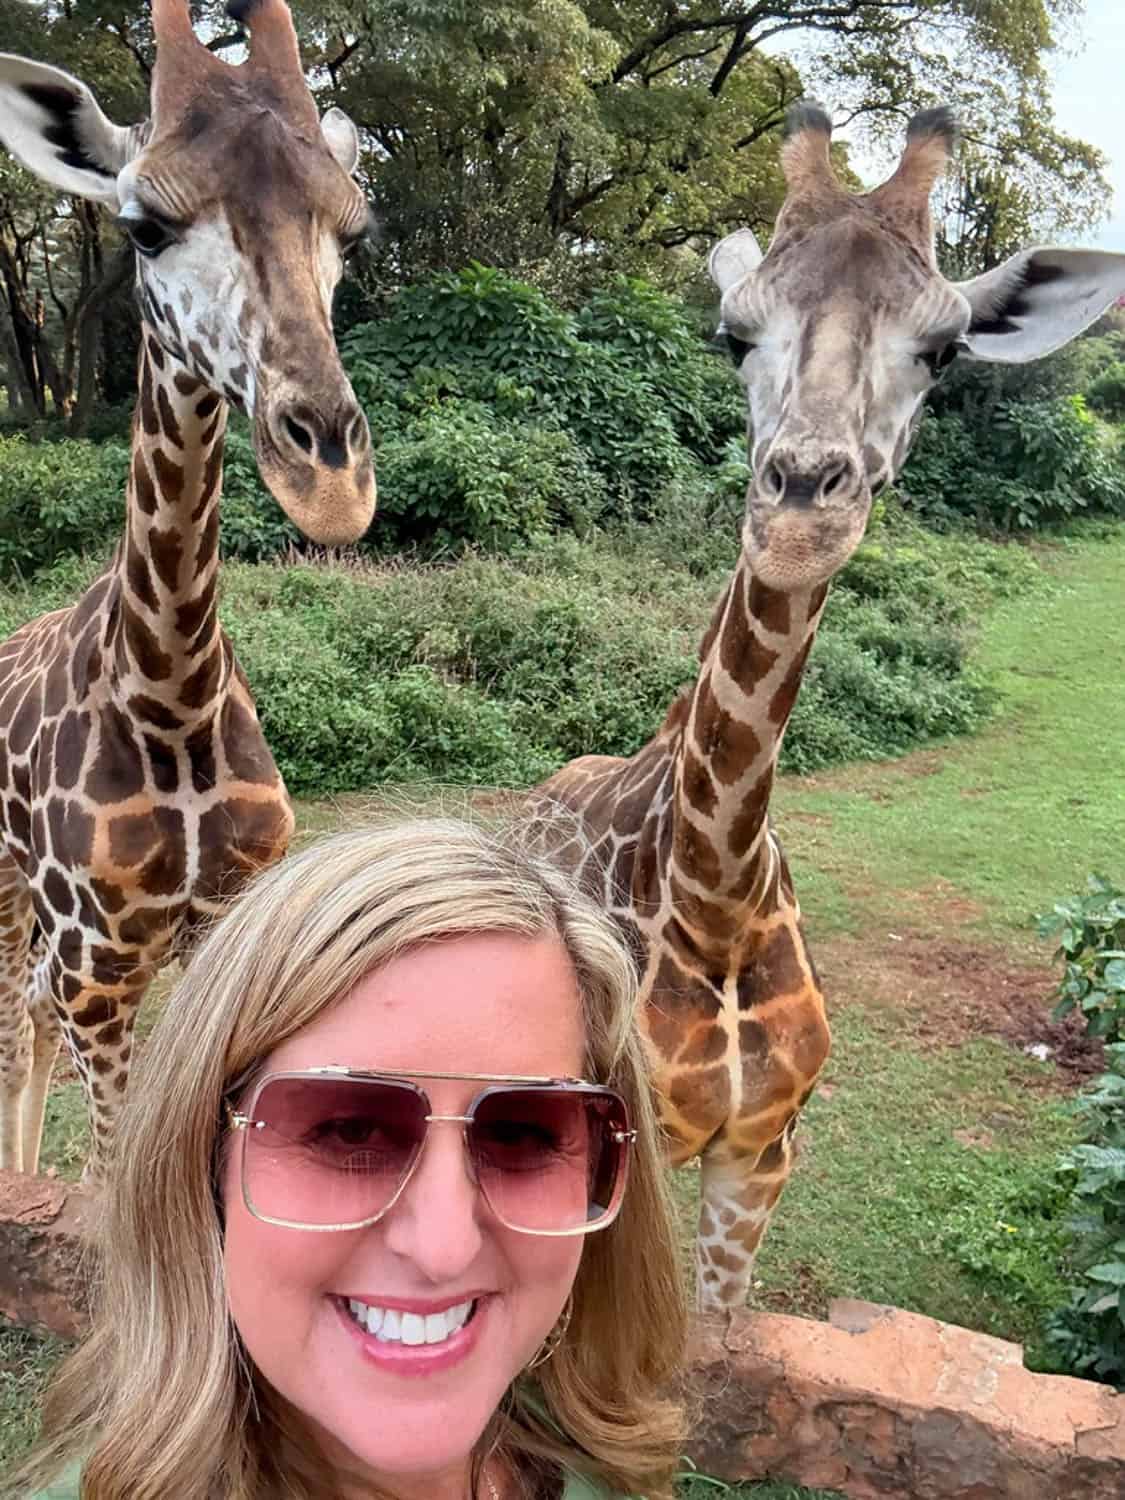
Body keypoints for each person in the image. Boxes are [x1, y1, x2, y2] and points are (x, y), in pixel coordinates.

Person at [9, 819, 688, 1500]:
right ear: (203, 1161)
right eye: (346, 1132)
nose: (442, 1247)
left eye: (522, 1135)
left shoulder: (600, 1466)